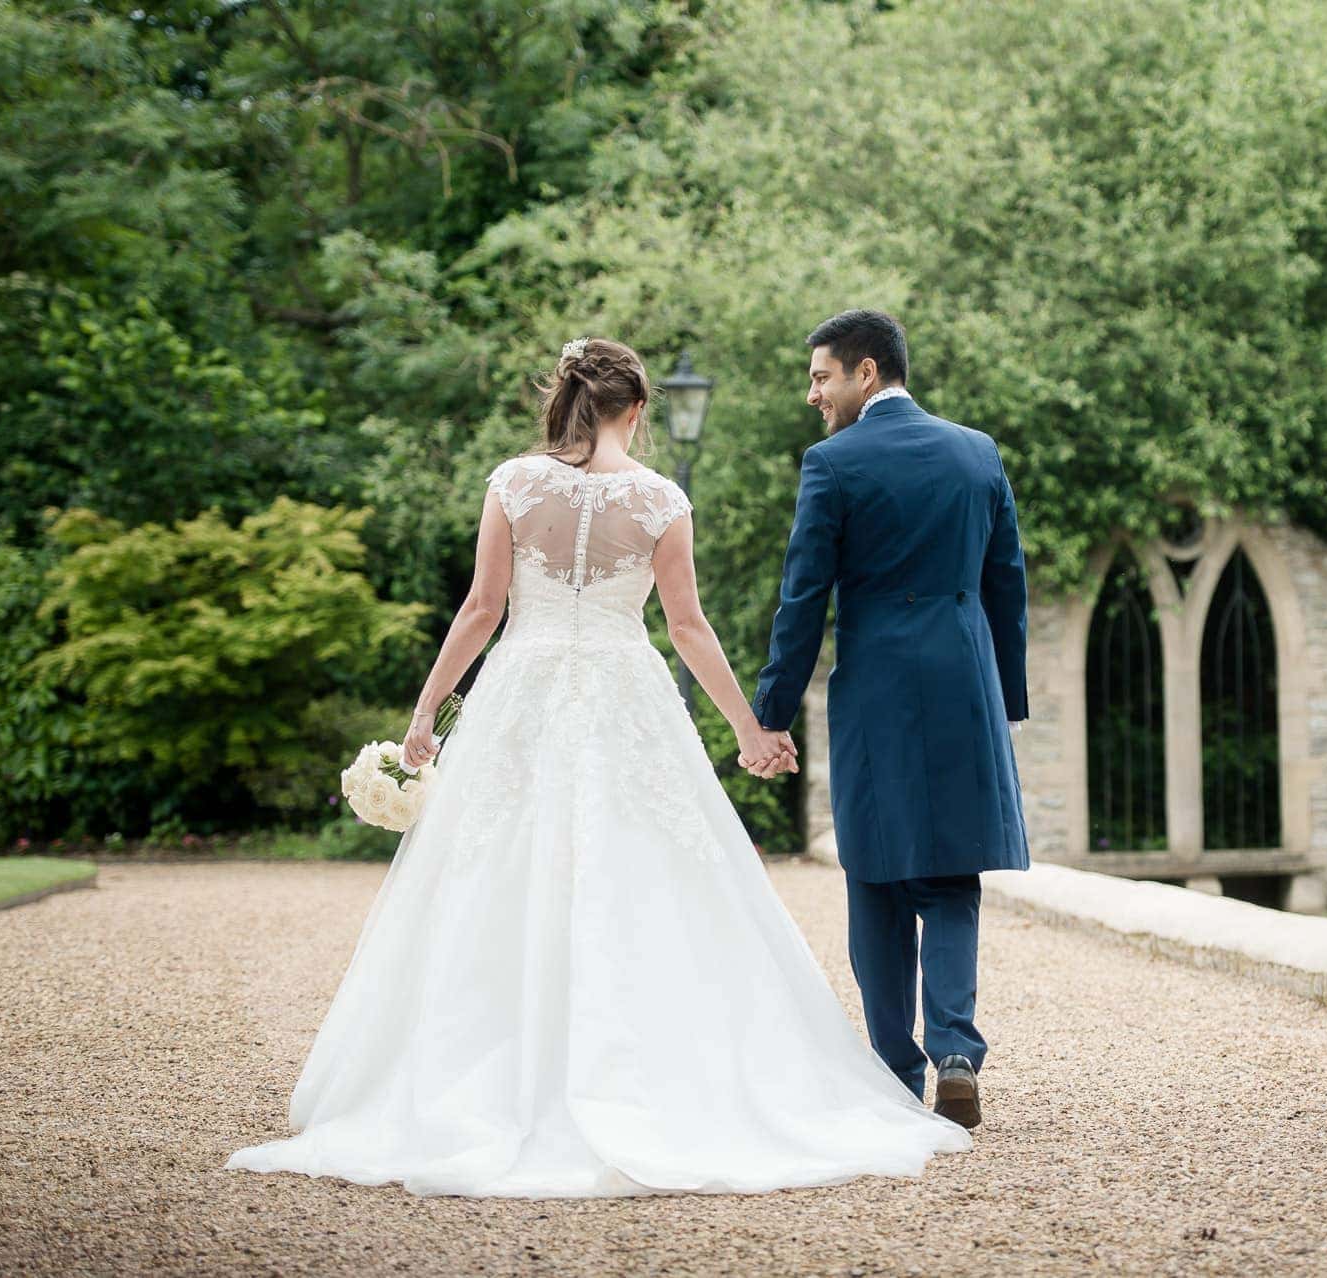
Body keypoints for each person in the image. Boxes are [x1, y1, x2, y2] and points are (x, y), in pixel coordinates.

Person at [224, 336, 969, 1199]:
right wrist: (752, 731)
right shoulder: (659, 499)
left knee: (490, 871)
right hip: (624, 694)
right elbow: (688, 628)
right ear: (638, 409)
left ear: (569, 399)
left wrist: (426, 712)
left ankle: (468, 1079)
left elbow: (481, 609)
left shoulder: (514, 484)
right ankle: (657, 1074)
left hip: (522, 691)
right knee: (649, 869)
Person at [747, 309, 1031, 1130]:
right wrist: (1002, 696)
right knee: (949, 874)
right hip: (960, 679)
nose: (812, 394)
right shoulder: (978, 453)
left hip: (875, 683)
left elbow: (804, 599)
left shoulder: (833, 464)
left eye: (820, 376)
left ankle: (892, 1071)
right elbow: (1006, 584)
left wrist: (771, 712)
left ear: (866, 373)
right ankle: (954, 1052)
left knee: (874, 870)